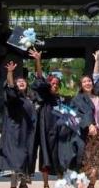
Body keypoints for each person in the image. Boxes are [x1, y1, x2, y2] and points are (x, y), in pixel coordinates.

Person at [30, 49, 66, 186]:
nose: (54, 85)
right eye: (52, 83)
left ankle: (60, 182)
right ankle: (45, 184)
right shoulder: (45, 96)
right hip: (45, 130)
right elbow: (40, 79)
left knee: (59, 156)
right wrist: (38, 60)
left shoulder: (61, 99)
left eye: (57, 84)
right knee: (45, 156)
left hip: (59, 131)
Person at [0, 60, 38, 188]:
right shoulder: (13, 97)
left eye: (23, 81)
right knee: (15, 160)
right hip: (15, 132)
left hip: (28, 133)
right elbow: (10, 88)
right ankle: (13, 185)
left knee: (27, 157)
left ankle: (24, 183)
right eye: (18, 81)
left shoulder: (31, 98)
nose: (21, 82)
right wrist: (10, 73)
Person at [71, 50, 99, 188]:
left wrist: (97, 61)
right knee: (85, 164)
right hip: (85, 135)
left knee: (97, 165)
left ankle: (91, 186)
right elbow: (78, 115)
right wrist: (89, 124)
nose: (87, 83)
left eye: (89, 81)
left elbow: (96, 77)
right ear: (81, 85)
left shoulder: (98, 98)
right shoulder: (77, 99)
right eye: (84, 82)